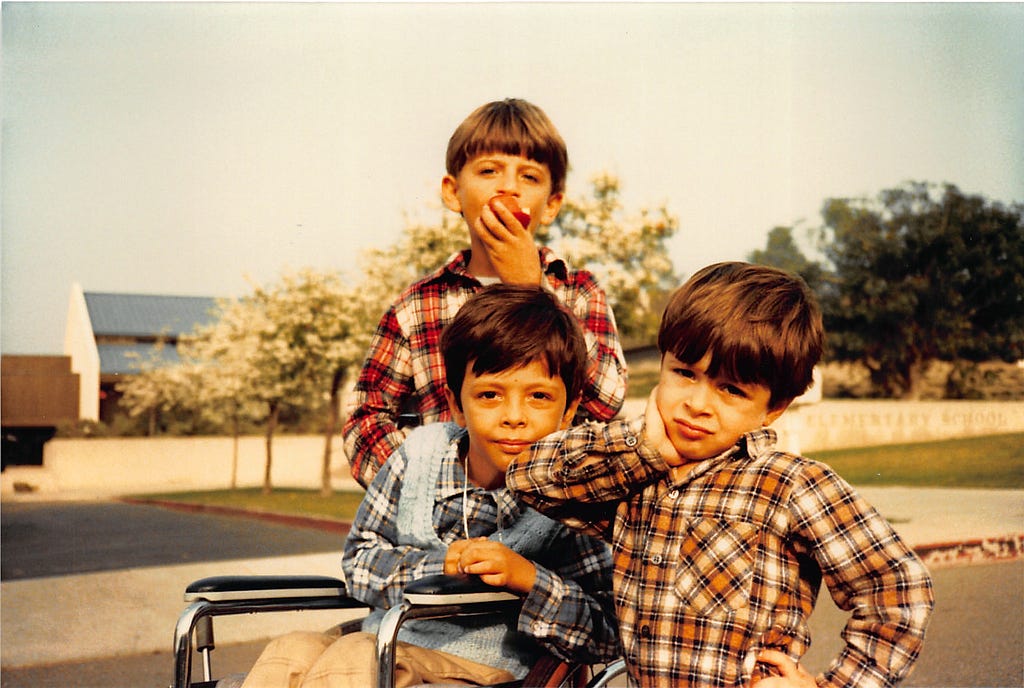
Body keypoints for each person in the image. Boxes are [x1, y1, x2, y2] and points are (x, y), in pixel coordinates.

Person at [507, 262, 935, 688]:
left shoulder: (789, 485)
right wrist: (644, 447)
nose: (697, 403)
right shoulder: (634, 479)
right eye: (684, 373)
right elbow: (528, 477)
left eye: (731, 389)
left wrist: (834, 686)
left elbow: (899, 586)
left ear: (773, 407)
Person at [241, 284, 620, 688]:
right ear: (457, 402)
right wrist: (442, 565)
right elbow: (359, 562)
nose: (514, 416)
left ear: (569, 410)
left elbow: (605, 631)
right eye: (490, 395)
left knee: (356, 658)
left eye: (539, 397)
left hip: (486, 669)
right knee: (291, 648)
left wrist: (527, 578)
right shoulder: (418, 454)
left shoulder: (578, 493)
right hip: (385, 642)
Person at [342, 97, 627, 487]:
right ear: (453, 192)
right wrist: (424, 484)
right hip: (447, 512)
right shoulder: (417, 306)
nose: (508, 186)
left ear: (552, 204)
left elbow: (605, 402)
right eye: (489, 170)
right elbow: (367, 414)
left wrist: (531, 289)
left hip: (548, 513)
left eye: (529, 177)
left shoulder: (578, 292)